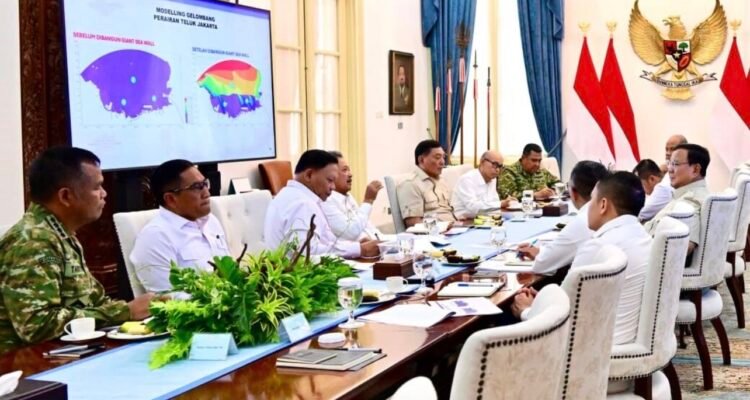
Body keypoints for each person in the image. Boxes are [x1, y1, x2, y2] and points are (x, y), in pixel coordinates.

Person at [0, 147, 154, 353]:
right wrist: (124, 312)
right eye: (97, 187)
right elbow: (37, 327)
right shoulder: (34, 242)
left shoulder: (59, 233)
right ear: (65, 196)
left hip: (67, 353)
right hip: (28, 364)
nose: (104, 194)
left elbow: (94, 301)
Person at [513, 171, 651, 345]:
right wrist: (542, 299)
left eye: (591, 200)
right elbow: (573, 298)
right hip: (625, 336)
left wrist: (527, 311)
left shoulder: (598, 246)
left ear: (603, 205)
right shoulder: (643, 236)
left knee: (505, 320)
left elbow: (560, 316)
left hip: (592, 347)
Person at [129, 160, 230, 293]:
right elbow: (167, 296)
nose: (207, 193)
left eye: (205, 184)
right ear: (171, 199)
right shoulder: (155, 237)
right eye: (197, 187)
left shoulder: (210, 221)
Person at [264, 150, 379, 258]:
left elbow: (326, 242)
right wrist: (360, 249)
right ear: (309, 175)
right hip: (300, 271)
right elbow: (306, 252)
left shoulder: (290, 195)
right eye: (330, 180)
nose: (333, 187)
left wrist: (354, 245)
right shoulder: (302, 204)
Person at [517, 161, 609, 275]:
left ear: (573, 192)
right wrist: (542, 252)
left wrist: (542, 255)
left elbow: (542, 264)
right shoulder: (611, 213)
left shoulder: (584, 221)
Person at [645, 143, 711, 256]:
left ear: (695, 169)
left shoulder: (691, 201)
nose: (669, 169)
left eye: (675, 164)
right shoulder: (693, 194)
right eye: (669, 163)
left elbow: (684, 247)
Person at [321, 151, 383, 241]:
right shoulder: (326, 201)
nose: (350, 174)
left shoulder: (348, 196)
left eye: (349, 170)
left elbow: (369, 227)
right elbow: (350, 233)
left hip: (375, 243)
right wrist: (368, 200)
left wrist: (386, 242)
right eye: (345, 170)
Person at [397, 140, 457, 228]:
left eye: (443, 157)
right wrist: (444, 226)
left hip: (456, 228)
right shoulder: (411, 184)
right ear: (421, 160)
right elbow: (414, 224)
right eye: (437, 157)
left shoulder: (442, 181)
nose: (442, 162)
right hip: (437, 233)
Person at [450, 151, 515, 219]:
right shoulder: (467, 179)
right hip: (465, 221)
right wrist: (500, 204)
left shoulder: (492, 179)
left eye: (500, 166)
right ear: (482, 162)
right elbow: (473, 208)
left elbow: (494, 203)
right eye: (494, 164)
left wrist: (509, 203)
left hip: (486, 218)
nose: (497, 170)